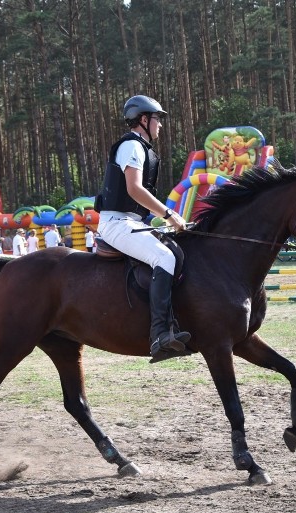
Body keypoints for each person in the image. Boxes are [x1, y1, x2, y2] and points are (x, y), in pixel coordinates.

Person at [96, 95, 190, 362]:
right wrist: (169, 214)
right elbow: (134, 189)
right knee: (164, 257)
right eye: (157, 119)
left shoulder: (143, 149)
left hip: (132, 222)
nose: (160, 124)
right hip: (116, 223)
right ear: (144, 120)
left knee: (174, 250)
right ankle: (160, 333)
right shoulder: (132, 147)